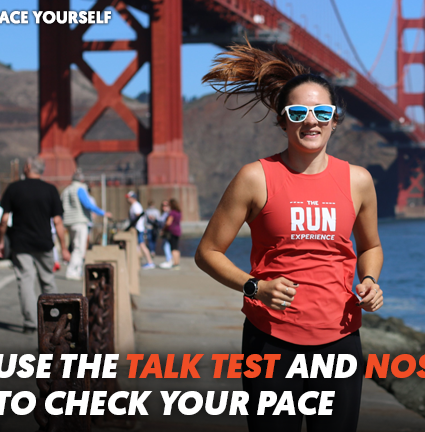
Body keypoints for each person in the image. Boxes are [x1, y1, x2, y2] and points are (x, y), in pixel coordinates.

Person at [194, 44, 384, 431]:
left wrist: (369, 280)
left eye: (322, 113)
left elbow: (371, 246)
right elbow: (207, 252)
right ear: (282, 121)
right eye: (298, 112)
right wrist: (253, 287)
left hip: (340, 340)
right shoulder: (255, 177)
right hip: (271, 341)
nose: (310, 121)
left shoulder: (358, 180)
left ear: (335, 120)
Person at [0, 157, 71, 333]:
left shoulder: (14, 188)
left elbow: (4, 219)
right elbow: (58, 221)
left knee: (25, 281)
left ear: (28, 167)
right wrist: (64, 247)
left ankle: (30, 323)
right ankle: (53, 320)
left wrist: (0, 241)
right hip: (44, 242)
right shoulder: (50, 190)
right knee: (48, 281)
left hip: (20, 243)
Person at [60, 169, 111, 280]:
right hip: (79, 221)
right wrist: (103, 213)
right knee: (79, 248)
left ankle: (77, 271)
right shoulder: (80, 188)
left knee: (74, 246)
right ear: (82, 179)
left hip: (68, 222)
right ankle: (72, 271)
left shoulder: (66, 190)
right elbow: (88, 205)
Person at [125, 191, 154, 269]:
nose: (127, 199)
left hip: (138, 228)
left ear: (132, 198)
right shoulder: (135, 205)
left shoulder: (135, 206)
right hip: (138, 228)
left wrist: (133, 225)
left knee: (142, 245)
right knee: (139, 245)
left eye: (129, 197)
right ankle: (141, 261)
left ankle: (150, 262)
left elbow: (138, 215)